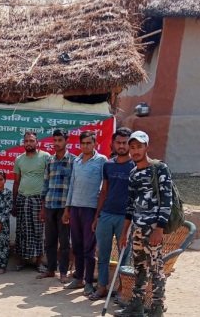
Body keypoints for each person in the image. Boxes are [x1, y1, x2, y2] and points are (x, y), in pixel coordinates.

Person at [115, 131, 172, 317]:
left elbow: (166, 201)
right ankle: (137, 306)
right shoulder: (133, 173)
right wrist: (125, 232)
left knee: (156, 269)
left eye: (139, 146)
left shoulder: (159, 168)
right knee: (139, 268)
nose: (135, 150)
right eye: (132, 147)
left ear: (146, 147)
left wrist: (159, 229)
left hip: (153, 228)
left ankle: (156, 308)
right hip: (137, 229)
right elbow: (130, 206)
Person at [90, 127, 134, 301]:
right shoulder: (108, 164)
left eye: (125, 143)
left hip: (126, 218)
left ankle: (122, 291)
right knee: (103, 254)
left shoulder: (136, 166)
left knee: (124, 255)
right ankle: (102, 287)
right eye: (119, 142)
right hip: (106, 215)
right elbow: (104, 191)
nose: (122, 146)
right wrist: (96, 216)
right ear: (113, 144)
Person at [62, 130, 107, 296]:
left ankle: (89, 282)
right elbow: (72, 185)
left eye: (89, 143)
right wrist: (67, 208)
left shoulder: (102, 161)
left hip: (91, 209)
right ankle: (78, 278)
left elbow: (104, 187)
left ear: (95, 144)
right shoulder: (77, 161)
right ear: (80, 145)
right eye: (83, 143)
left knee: (89, 248)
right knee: (77, 245)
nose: (86, 146)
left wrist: (98, 212)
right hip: (75, 207)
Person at [38, 129, 75, 283]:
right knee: (50, 240)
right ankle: (51, 269)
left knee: (64, 241)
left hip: (64, 207)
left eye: (60, 140)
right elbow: (45, 184)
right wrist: (42, 207)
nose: (57, 143)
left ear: (66, 141)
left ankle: (64, 272)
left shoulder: (73, 161)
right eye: (55, 140)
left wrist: (70, 208)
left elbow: (74, 186)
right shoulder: (50, 161)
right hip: (50, 205)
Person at [12, 131, 50, 271]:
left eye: (31, 140)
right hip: (22, 199)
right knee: (21, 230)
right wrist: (14, 203)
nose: (28, 143)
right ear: (23, 143)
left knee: (38, 231)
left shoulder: (45, 157)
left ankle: (39, 262)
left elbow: (49, 180)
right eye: (26, 141)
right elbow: (16, 182)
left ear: (37, 142)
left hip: (38, 200)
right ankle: (22, 261)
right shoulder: (19, 159)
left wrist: (45, 205)